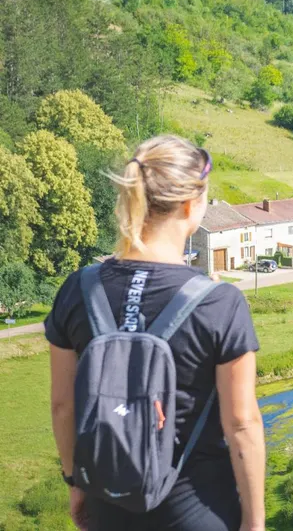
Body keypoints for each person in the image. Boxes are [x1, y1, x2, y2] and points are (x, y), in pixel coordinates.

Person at [45, 135, 266, 531]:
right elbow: (242, 424)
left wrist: (75, 484)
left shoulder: (78, 289)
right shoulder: (220, 302)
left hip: (108, 508)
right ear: (190, 205)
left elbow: (63, 406)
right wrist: (255, 521)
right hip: (200, 511)